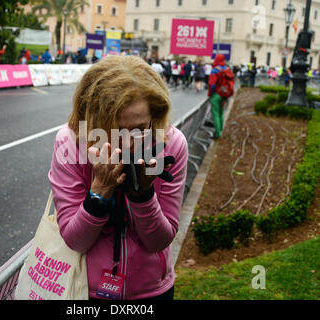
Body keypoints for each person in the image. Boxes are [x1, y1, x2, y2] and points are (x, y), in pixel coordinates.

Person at [48, 55, 188, 300]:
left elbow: (159, 241)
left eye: (139, 129)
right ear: (92, 121)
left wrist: (142, 194)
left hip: (150, 291)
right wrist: (99, 192)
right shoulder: (71, 142)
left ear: (154, 118)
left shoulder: (170, 143)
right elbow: (75, 240)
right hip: (86, 290)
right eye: (115, 130)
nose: (128, 143)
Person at [208, 54, 233, 139]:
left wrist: (211, 94)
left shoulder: (215, 70)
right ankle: (221, 130)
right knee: (221, 113)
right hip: (224, 94)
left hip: (216, 94)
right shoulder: (227, 69)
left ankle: (218, 134)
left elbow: (212, 84)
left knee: (215, 114)